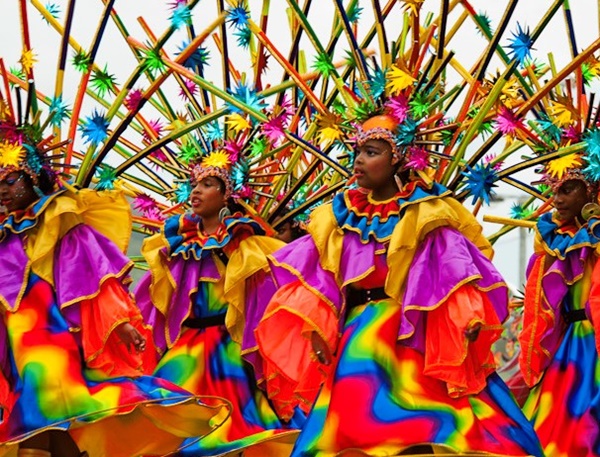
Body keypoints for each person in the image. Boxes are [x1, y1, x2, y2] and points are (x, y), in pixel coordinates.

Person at [254, 113, 543, 456]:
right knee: (354, 427)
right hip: (357, 339)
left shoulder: (426, 211)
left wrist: (466, 317)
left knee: (424, 424)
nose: (359, 160)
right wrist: (316, 330)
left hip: (411, 335)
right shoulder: (337, 216)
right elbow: (320, 279)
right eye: (358, 151)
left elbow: (451, 272)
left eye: (372, 151)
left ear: (399, 158)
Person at [0, 121, 229, 457]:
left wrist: (118, 323)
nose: (2, 189)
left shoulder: (59, 221)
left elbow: (90, 278)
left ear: (34, 178)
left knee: (40, 408)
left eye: (10, 180)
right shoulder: (5, 236)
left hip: (51, 341)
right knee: (53, 422)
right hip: (13, 345)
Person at [134, 151, 305, 456]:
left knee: (231, 431)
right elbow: (155, 299)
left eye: (209, 184)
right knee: (167, 420)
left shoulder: (247, 244)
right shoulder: (178, 242)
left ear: (228, 195)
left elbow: (268, 300)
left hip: (229, 350)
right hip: (185, 347)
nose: (197, 190)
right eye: (195, 184)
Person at [518, 167, 600, 455]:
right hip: (569, 352)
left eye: (566, 189)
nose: (556, 199)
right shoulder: (557, 241)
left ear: (590, 190)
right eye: (553, 191)